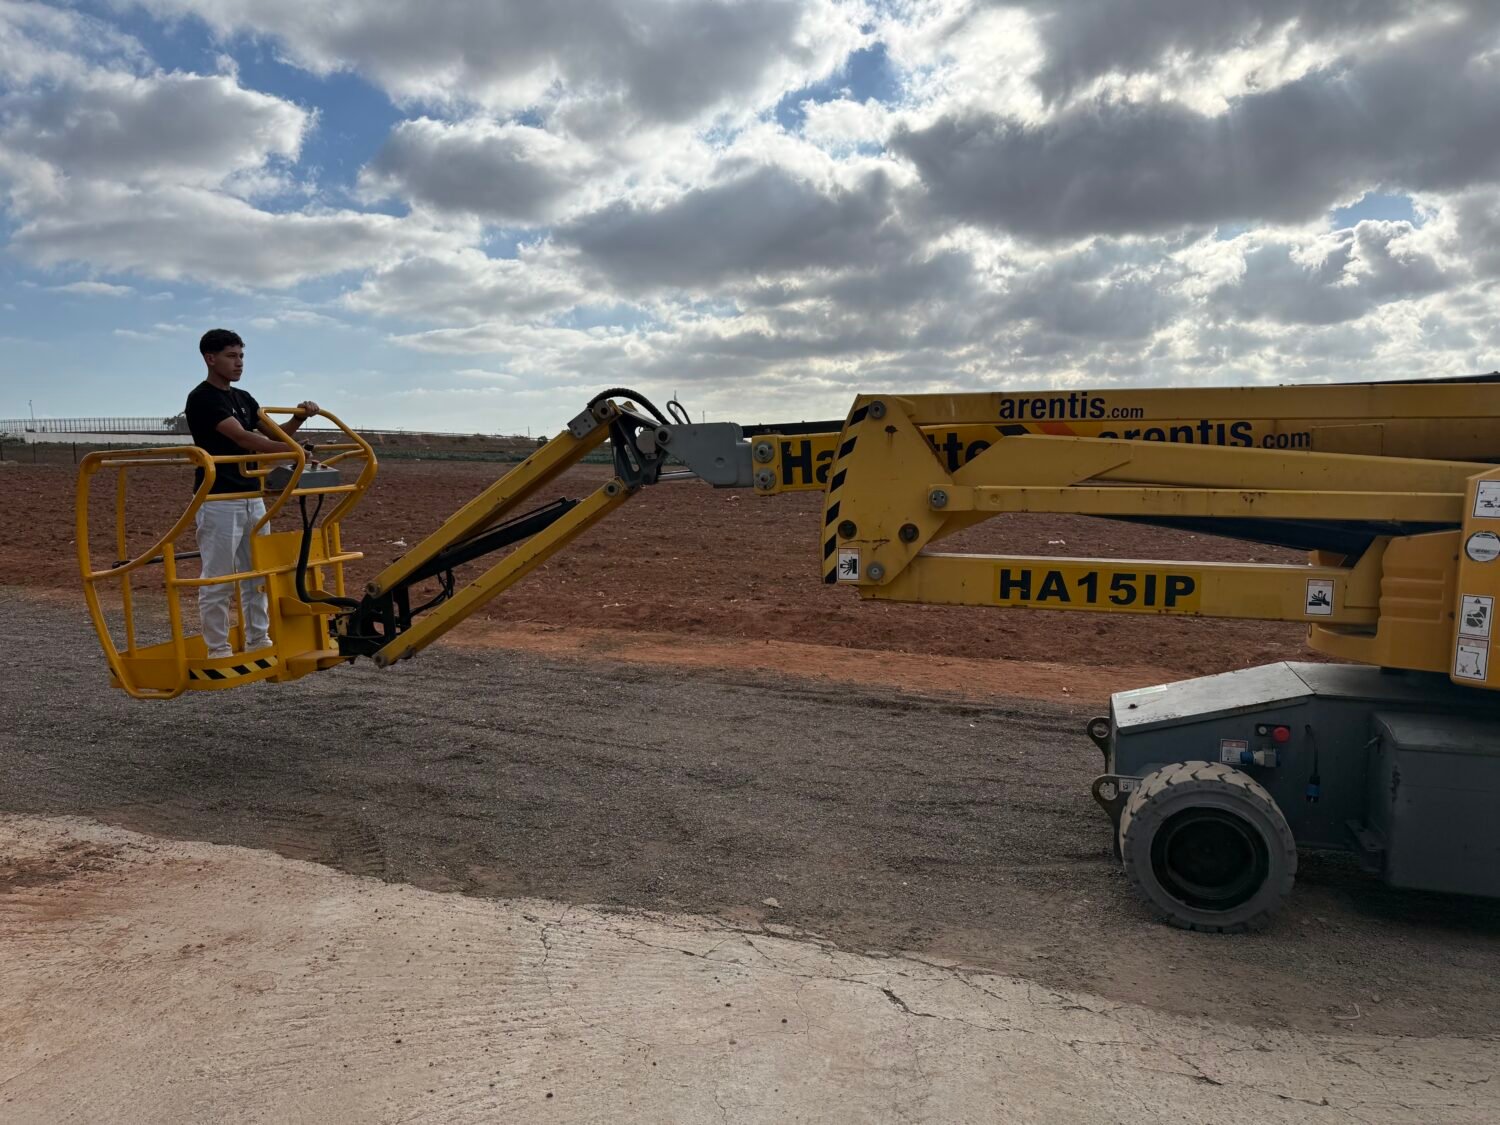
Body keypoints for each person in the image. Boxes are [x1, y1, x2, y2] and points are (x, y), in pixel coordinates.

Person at [185, 329, 319, 659]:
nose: (239, 363)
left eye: (242, 356)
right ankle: (218, 649)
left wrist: (297, 421)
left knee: (257, 576)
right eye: (232, 356)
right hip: (218, 499)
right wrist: (293, 453)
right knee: (218, 579)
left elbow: (275, 435)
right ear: (210, 358)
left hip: (251, 497)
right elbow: (244, 439)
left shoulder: (244, 398)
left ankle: (259, 640)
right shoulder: (203, 398)